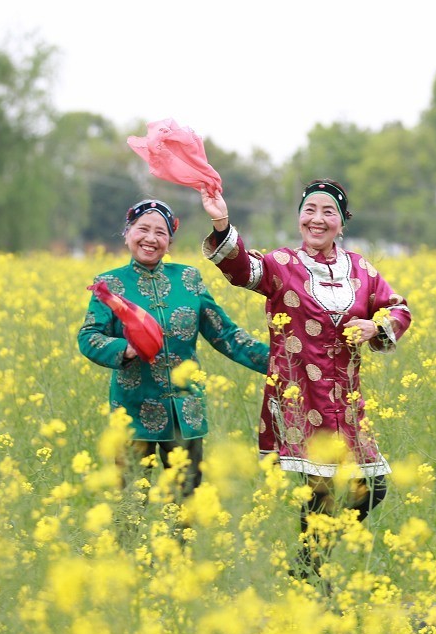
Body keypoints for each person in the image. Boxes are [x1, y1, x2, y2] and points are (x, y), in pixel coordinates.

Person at [199, 178, 411, 576]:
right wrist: (222, 224)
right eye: (309, 210)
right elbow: (241, 269)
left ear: (341, 223)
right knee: (320, 491)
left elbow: (399, 309)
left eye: (328, 211)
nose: (317, 219)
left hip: (347, 405)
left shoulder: (362, 270)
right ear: (299, 219)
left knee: (372, 487)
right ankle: (312, 577)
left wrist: (375, 327)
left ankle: (306, 565)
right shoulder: (282, 264)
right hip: (300, 400)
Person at [78, 198, 269, 501]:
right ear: (127, 234)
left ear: (169, 242)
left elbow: (225, 334)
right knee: (129, 508)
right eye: (143, 229)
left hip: (185, 415)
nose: (151, 239)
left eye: (160, 232)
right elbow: (89, 336)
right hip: (132, 414)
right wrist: (125, 349)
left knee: (186, 510)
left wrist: (280, 363)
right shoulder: (109, 283)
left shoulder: (189, 279)